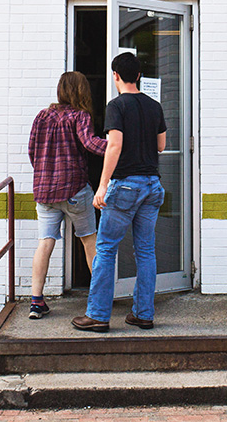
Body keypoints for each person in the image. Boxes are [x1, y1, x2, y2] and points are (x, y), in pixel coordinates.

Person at [72, 52, 166, 333]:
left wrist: (102, 185)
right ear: (138, 76)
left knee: (105, 248)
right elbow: (161, 145)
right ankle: (143, 314)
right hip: (152, 186)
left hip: (125, 185)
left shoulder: (116, 106)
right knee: (146, 251)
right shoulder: (154, 106)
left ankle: (99, 315)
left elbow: (114, 146)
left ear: (115, 76)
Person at [27, 71, 108, 320]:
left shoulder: (42, 116)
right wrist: (116, 146)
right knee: (89, 241)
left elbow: (32, 150)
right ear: (82, 91)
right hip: (74, 189)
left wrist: (44, 173)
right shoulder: (79, 116)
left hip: (45, 192)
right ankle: (99, 299)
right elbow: (91, 144)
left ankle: (36, 301)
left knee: (45, 242)